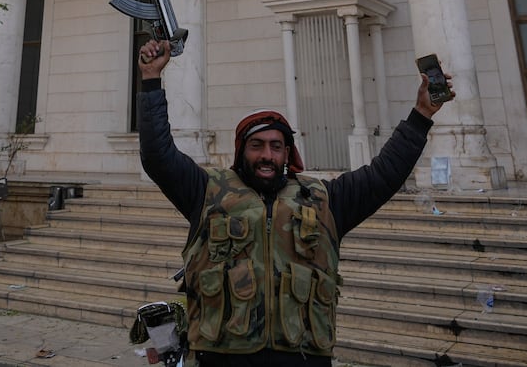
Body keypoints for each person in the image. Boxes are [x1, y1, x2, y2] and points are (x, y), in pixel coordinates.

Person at [135, 37, 446, 367]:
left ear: (287, 154)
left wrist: (422, 114)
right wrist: (152, 80)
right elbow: (158, 156)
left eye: (276, 146)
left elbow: (385, 174)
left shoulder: (324, 200)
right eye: (256, 145)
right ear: (241, 151)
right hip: (223, 357)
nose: (267, 155)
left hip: (302, 358)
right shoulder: (208, 192)